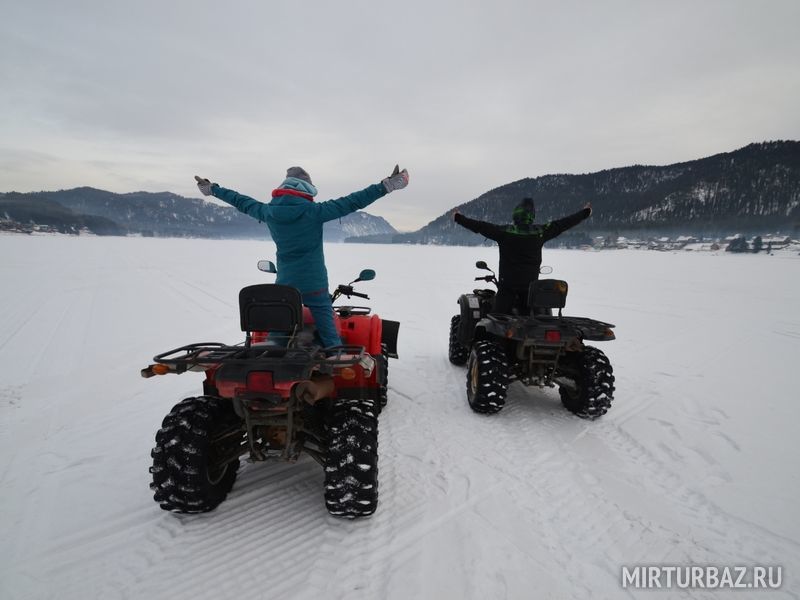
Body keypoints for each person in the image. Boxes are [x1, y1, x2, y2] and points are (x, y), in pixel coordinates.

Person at [195, 165, 409, 347]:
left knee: (277, 334)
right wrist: (386, 186)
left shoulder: (268, 212)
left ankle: (270, 356)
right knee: (331, 338)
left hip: (285, 286)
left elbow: (240, 201)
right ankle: (332, 357)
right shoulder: (314, 211)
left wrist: (212, 189)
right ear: (307, 189)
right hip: (314, 285)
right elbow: (353, 201)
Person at [453, 197, 591, 314]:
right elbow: (564, 223)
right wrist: (585, 213)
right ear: (532, 216)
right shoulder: (540, 232)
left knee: (494, 323)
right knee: (532, 321)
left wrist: (459, 218)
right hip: (531, 290)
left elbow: (480, 226)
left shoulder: (504, 232)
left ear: (515, 215)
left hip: (507, 289)